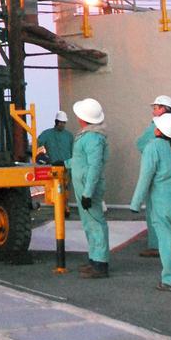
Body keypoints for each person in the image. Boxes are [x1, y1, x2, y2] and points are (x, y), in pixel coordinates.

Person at [129, 111, 171, 291]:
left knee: (166, 241)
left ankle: (170, 279)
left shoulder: (153, 147)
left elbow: (145, 178)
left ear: (158, 131)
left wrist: (135, 204)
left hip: (162, 202)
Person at [68, 98, 109, 278]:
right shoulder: (89, 135)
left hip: (87, 187)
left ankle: (100, 263)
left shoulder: (92, 137)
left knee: (96, 223)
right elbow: (80, 161)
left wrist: (87, 193)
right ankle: (95, 259)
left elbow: (94, 167)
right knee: (89, 223)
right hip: (84, 186)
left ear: (83, 118)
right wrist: (63, 163)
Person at [136, 95, 171, 258]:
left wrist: (135, 203)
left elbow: (140, 143)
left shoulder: (156, 127)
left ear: (163, 109)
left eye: (156, 108)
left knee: (156, 215)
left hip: (159, 180)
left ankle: (156, 245)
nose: (154, 111)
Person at [36, 110, 74, 216]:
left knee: (66, 188)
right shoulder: (47, 134)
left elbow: (73, 151)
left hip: (67, 167)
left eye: (64, 123)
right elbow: (38, 143)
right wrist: (41, 155)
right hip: (54, 166)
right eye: (60, 122)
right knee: (57, 189)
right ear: (56, 122)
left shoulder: (69, 136)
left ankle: (65, 207)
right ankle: (59, 208)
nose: (62, 125)